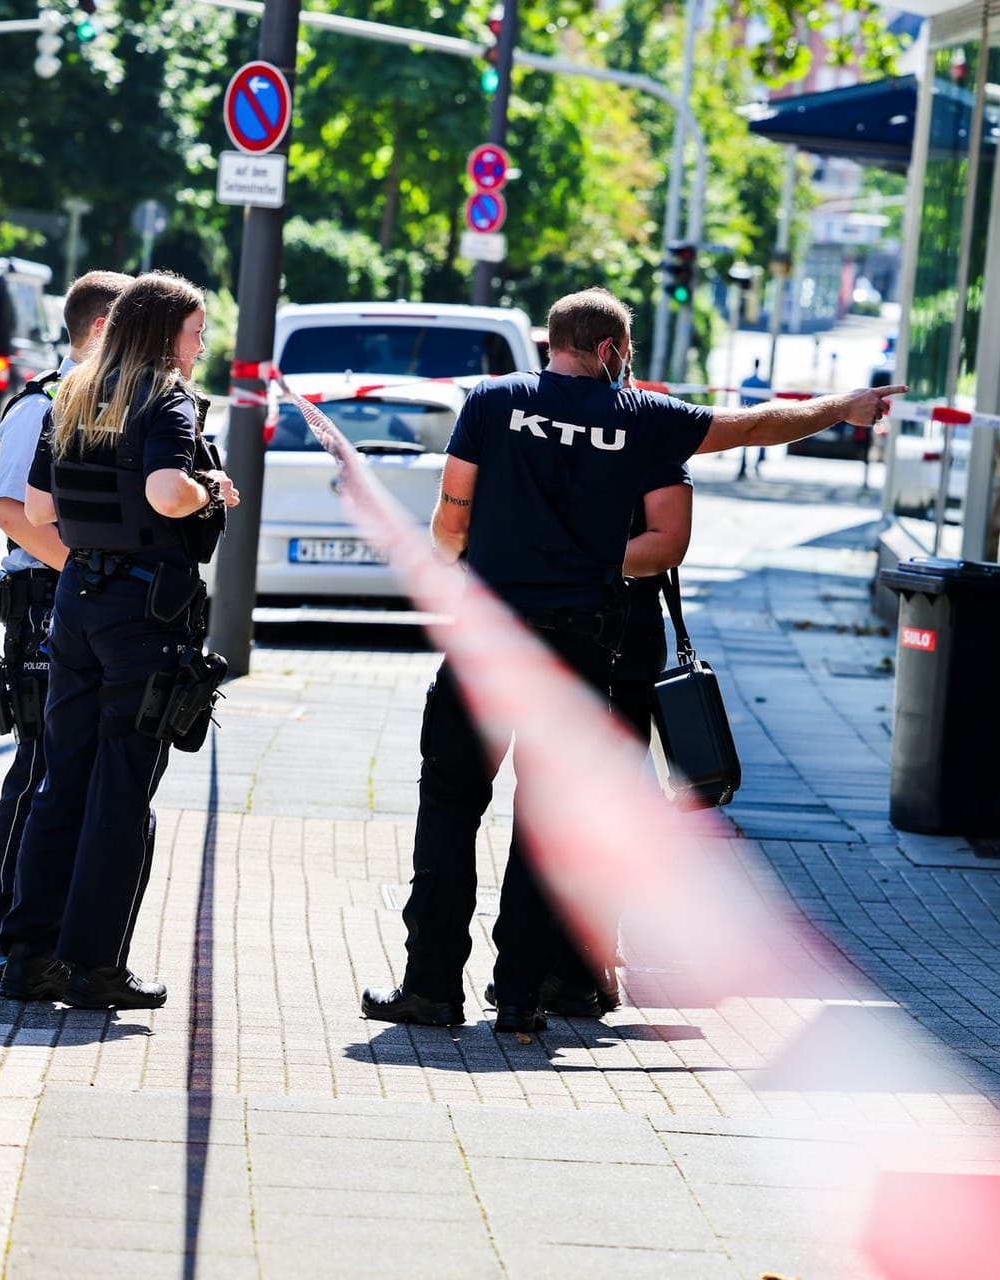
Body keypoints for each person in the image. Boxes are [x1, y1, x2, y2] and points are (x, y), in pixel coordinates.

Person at [361, 285, 904, 1034]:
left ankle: (430, 988)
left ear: (550, 341)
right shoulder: (642, 419)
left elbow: (451, 517)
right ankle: (518, 997)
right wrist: (841, 408)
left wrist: (468, 556)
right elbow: (752, 425)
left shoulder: (490, 402)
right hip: (578, 644)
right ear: (612, 349)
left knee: (450, 805)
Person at [0, 271, 239, 1010]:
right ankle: (96, 967)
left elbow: (38, 506)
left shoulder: (73, 393)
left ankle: (27, 956)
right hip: (144, 611)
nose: (200, 348)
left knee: (60, 778)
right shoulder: (163, 398)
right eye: (197, 333)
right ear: (166, 333)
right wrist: (210, 487)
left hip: (76, 600)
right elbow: (169, 493)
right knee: (122, 787)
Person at [484, 464, 693, 1018]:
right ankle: (572, 967)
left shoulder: (567, 423)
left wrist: (567, 559)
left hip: (597, 645)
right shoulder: (648, 430)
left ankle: (565, 968)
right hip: (616, 642)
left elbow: (667, 544)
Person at [0, 271, 132, 982]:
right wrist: (88, 576)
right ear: (101, 330)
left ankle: (49, 925)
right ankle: (2, 925)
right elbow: (11, 512)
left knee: (71, 770)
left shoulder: (107, 404)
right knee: (39, 764)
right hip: (46, 594)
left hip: (78, 598)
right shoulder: (42, 405)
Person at [737, 358, 771, 477]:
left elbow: (740, 399)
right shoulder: (763, 382)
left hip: (746, 414)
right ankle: (757, 465)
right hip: (759, 415)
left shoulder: (746, 381)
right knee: (761, 441)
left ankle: (742, 466)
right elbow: (767, 400)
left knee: (744, 442)